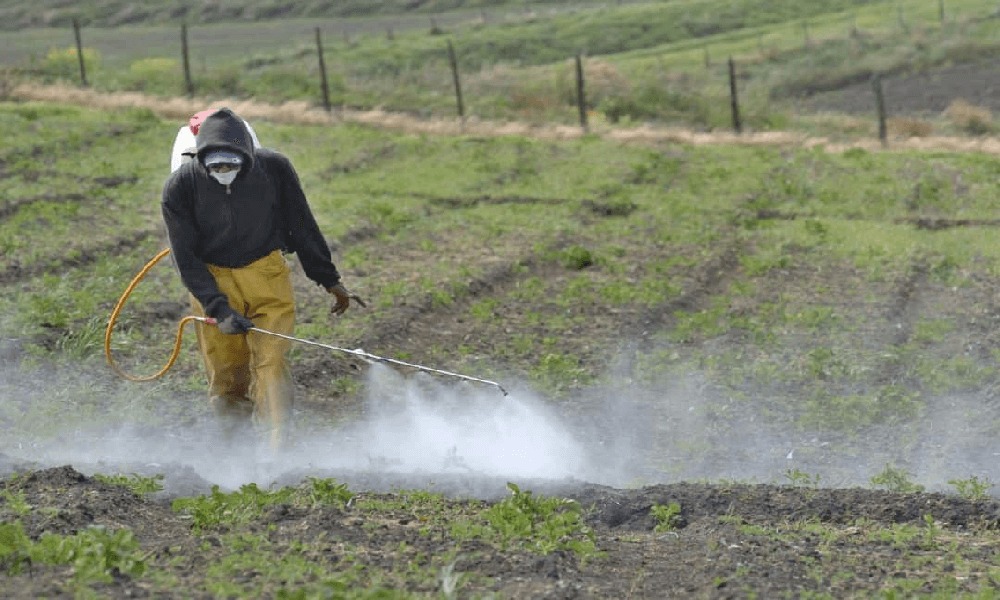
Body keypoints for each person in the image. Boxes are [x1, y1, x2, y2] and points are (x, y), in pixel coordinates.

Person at [161, 107, 363, 449]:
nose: (224, 172)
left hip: (266, 273)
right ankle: (236, 449)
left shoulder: (274, 169)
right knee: (226, 371)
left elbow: (301, 225)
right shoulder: (180, 187)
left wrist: (328, 278)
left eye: (231, 165)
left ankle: (277, 448)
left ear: (248, 157)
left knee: (271, 362)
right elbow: (186, 258)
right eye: (216, 167)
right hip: (212, 279)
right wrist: (218, 309)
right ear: (200, 160)